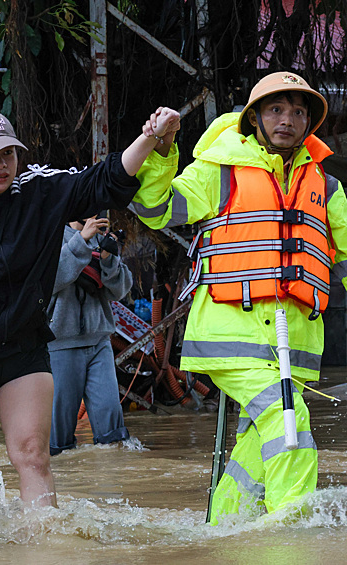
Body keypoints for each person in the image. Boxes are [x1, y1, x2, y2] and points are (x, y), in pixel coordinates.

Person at [0, 108, 179, 531]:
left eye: (9, 154)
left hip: (25, 350)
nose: (1, 164)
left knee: (33, 453)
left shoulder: (41, 191)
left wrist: (152, 135)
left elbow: (104, 179)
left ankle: (45, 548)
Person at [132, 71, 347, 523]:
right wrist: (162, 150)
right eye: (276, 109)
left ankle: (223, 531)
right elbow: (156, 209)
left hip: (296, 346)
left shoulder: (325, 187)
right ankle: (294, 526)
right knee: (287, 420)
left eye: (297, 111)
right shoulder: (221, 170)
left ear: (309, 122)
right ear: (254, 118)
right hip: (230, 336)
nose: (287, 119)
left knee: (256, 445)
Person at [47, 215, 132, 454]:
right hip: (60, 344)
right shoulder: (49, 235)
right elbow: (49, 280)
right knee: (57, 440)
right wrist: (81, 240)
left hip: (100, 342)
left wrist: (108, 259)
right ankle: (62, 486)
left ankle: (110, 485)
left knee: (112, 435)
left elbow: (120, 290)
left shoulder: (102, 239)